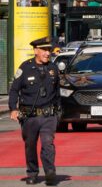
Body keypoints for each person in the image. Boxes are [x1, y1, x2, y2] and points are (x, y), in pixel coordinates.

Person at [9, 37, 61, 185]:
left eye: (49, 50)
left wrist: (59, 112)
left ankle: (50, 172)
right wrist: (13, 108)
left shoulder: (53, 68)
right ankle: (32, 172)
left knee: (48, 143)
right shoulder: (24, 68)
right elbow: (14, 90)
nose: (47, 53)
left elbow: (57, 92)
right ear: (36, 50)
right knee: (30, 145)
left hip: (48, 115)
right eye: (44, 50)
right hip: (29, 116)